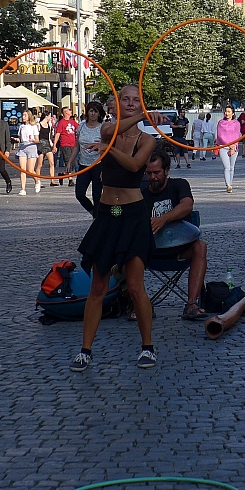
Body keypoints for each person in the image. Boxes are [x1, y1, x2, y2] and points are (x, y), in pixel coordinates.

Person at [69, 85, 168, 373]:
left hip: (133, 215)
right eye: (126, 99)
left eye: (137, 101)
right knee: (98, 287)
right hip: (106, 214)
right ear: (117, 104)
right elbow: (111, 134)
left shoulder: (147, 140)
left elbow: (135, 165)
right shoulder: (107, 130)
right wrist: (139, 118)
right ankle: (85, 351)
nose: (131, 103)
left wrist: (109, 149)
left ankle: (147, 347)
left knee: (135, 286)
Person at [141, 149, 212, 321]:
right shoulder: (142, 193)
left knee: (200, 246)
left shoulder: (179, 185)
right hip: (151, 252)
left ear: (166, 170)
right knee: (128, 250)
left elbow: (187, 205)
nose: (153, 177)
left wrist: (163, 219)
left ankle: (191, 303)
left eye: (157, 172)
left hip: (180, 250)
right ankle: (140, 304)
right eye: (149, 173)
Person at [74, 101, 105, 215]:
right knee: (80, 194)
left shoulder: (103, 127)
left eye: (95, 111)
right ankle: (93, 212)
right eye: (91, 111)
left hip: (98, 164)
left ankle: (96, 219)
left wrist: (104, 169)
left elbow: (106, 148)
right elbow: (76, 145)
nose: (93, 114)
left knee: (97, 195)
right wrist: (70, 162)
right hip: (83, 164)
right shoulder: (81, 126)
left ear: (99, 113)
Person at [216, 105, 240, 193]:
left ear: (233, 113)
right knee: (227, 167)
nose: (227, 113)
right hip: (223, 146)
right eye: (226, 111)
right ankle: (228, 184)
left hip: (234, 147)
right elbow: (220, 135)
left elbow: (237, 135)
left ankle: (230, 183)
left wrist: (234, 146)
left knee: (232, 167)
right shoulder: (221, 123)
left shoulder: (236, 123)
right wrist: (229, 145)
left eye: (229, 111)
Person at [54, 107, 80, 186]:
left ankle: (62, 174)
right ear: (65, 112)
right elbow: (57, 134)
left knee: (74, 163)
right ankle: (70, 180)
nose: (71, 111)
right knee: (68, 161)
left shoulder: (72, 121)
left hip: (73, 144)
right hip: (65, 144)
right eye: (69, 110)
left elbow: (79, 128)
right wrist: (54, 145)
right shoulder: (61, 123)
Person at [16, 110, 40, 196]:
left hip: (31, 147)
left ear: (29, 116)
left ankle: (37, 181)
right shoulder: (21, 126)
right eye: (23, 115)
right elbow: (20, 138)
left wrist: (33, 140)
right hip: (23, 147)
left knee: (30, 170)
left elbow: (37, 140)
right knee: (22, 169)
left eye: (25, 115)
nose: (23, 117)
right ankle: (23, 189)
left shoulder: (33, 126)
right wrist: (16, 139)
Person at [36, 110, 57, 187]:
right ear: (46, 116)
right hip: (41, 144)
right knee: (40, 164)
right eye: (49, 116)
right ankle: (38, 181)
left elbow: (49, 136)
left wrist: (52, 144)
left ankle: (52, 180)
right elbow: (37, 135)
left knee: (52, 163)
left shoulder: (49, 125)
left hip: (47, 144)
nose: (50, 117)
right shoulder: (38, 125)